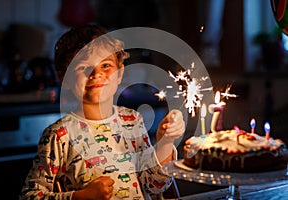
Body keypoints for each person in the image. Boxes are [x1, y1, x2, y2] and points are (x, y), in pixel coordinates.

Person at [19, 24, 185, 200]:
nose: (96, 74)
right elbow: (29, 196)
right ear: (64, 78)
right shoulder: (59, 136)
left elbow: (153, 185)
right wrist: (81, 196)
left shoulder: (133, 120)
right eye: (83, 68)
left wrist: (166, 142)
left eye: (105, 65)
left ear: (120, 74)